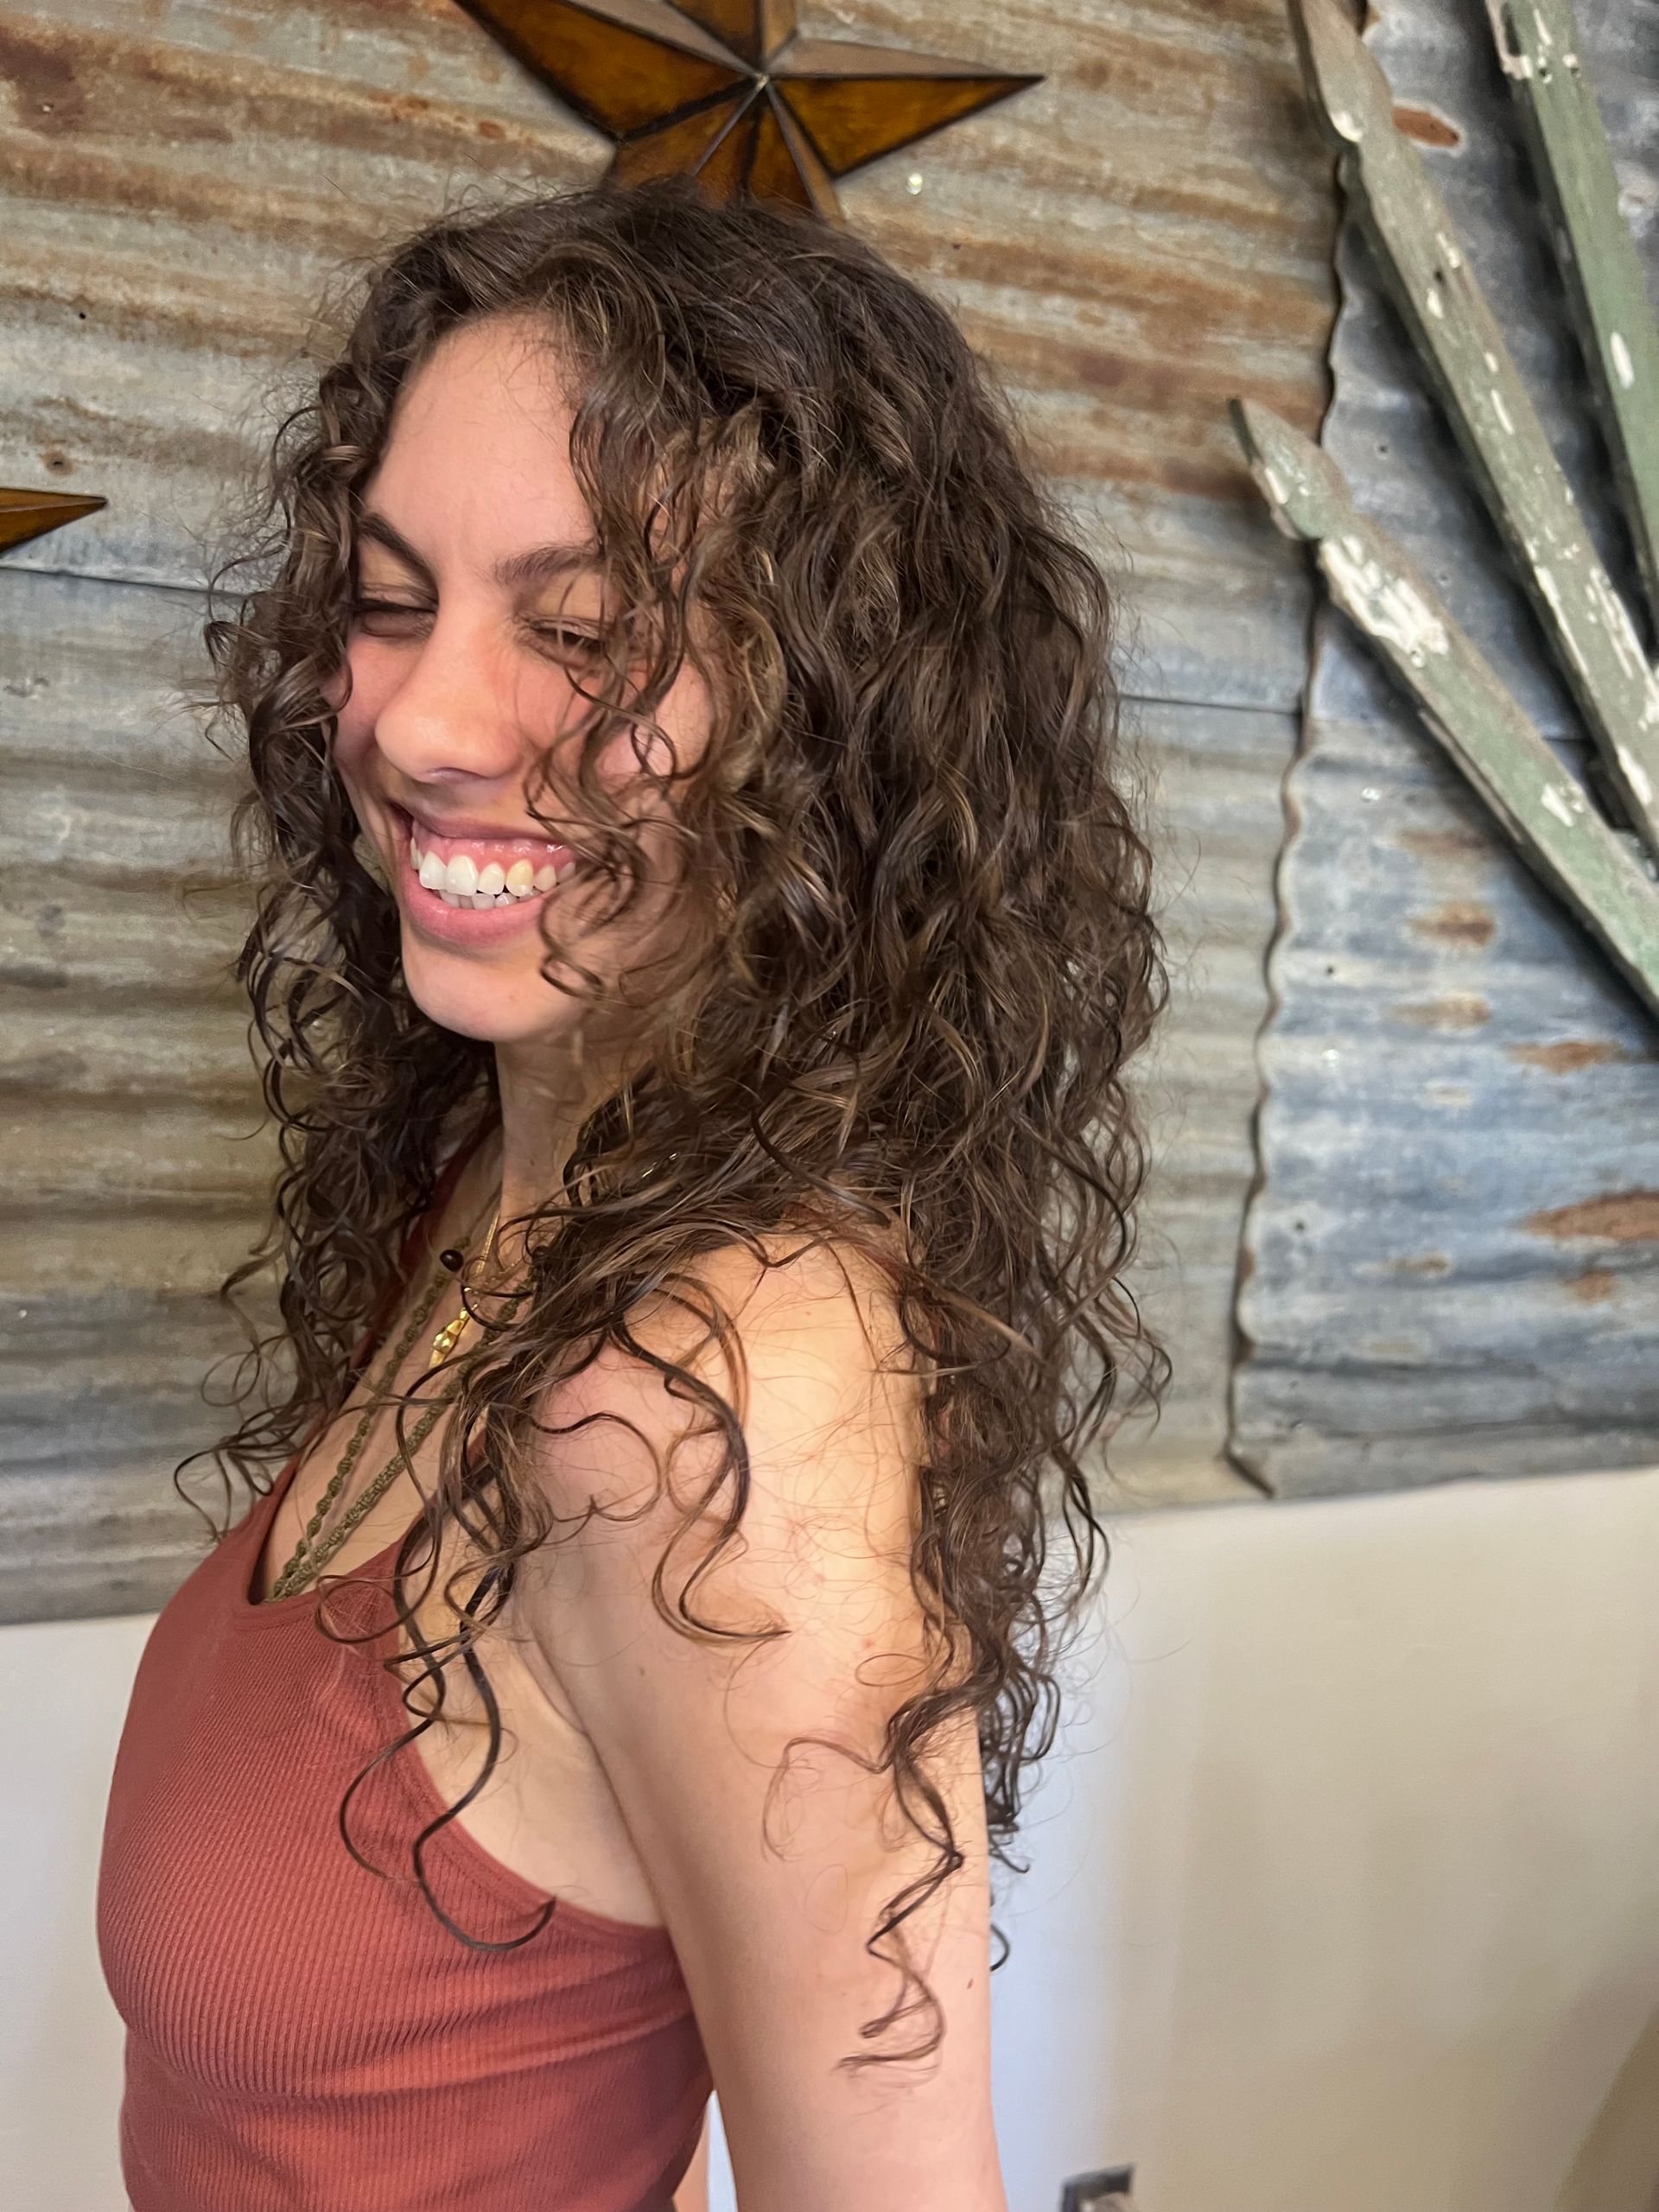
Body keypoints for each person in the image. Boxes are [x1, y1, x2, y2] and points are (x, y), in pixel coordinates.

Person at [95, 178, 1167, 2212]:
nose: (415, 717)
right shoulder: (507, 1194)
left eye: (582, 635)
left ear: (830, 727)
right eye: (394, 597)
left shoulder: (711, 1405)